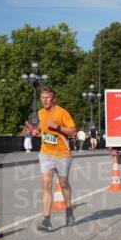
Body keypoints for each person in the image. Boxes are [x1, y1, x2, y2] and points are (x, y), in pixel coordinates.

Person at [34, 86, 77, 231]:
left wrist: (57, 127)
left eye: (47, 97)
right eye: (42, 97)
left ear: (53, 99)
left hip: (62, 155)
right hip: (46, 153)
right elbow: (42, 126)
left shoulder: (62, 112)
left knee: (63, 184)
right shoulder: (40, 113)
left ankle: (69, 211)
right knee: (46, 185)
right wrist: (38, 130)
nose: (44, 100)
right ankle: (46, 220)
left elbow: (73, 131)